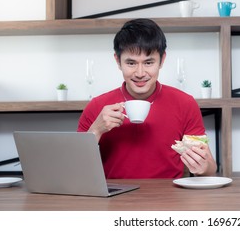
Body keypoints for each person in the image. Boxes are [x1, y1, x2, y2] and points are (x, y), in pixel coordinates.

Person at [77, 18, 217, 179]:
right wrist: (95, 131)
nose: (140, 73)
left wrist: (203, 166)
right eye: (131, 63)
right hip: (114, 199)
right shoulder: (97, 106)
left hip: (171, 198)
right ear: (118, 61)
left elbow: (211, 169)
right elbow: (75, 168)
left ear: (162, 60)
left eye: (149, 62)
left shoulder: (185, 103)